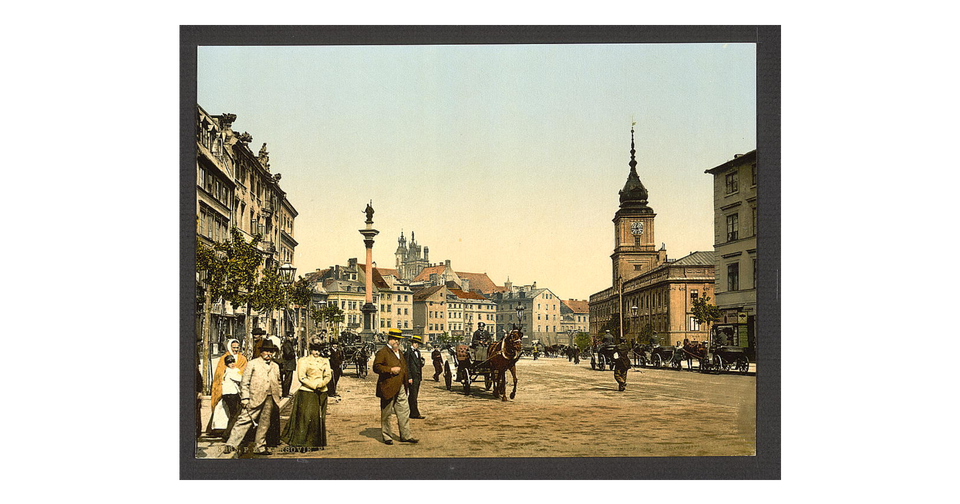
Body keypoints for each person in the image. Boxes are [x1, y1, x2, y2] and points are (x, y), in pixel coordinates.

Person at [223, 339, 283, 456]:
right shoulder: (253, 364)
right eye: (266, 351)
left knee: (265, 423)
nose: (268, 354)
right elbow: (244, 383)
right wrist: (245, 398)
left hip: (270, 398)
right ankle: (231, 445)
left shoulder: (275, 366)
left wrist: (279, 394)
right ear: (261, 352)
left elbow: (279, 381)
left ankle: (260, 446)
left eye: (270, 352)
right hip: (254, 397)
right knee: (244, 420)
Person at [281, 337, 332, 451]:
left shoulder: (325, 361)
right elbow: (301, 377)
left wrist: (322, 384)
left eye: (318, 350)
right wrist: (314, 386)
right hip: (307, 392)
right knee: (306, 417)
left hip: (322, 391)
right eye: (314, 350)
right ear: (310, 350)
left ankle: (316, 442)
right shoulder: (303, 361)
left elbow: (328, 375)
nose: (316, 353)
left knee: (319, 417)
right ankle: (302, 441)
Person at [372, 328, 418, 445]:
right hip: (388, 387)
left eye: (398, 339)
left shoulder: (400, 352)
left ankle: (406, 435)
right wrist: (390, 370)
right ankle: (387, 436)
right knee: (386, 413)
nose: (397, 342)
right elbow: (376, 367)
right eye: (394, 339)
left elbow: (404, 367)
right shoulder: (383, 352)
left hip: (401, 386)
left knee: (404, 412)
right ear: (389, 339)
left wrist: (407, 379)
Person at [206, 339, 248, 435]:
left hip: (237, 389)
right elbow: (219, 373)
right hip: (226, 390)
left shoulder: (242, 359)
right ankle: (220, 429)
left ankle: (230, 430)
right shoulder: (223, 358)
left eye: (237, 348)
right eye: (234, 347)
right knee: (221, 409)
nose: (236, 350)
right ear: (230, 347)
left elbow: (245, 370)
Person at [405, 335, 425, 419]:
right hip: (412, 377)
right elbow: (406, 366)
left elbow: (418, 364)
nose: (417, 345)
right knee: (413, 395)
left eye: (418, 343)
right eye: (415, 343)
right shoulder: (408, 352)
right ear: (412, 343)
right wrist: (409, 377)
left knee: (414, 395)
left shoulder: (418, 352)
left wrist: (422, 363)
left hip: (417, 376)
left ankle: (411, 411)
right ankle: (414, 413)